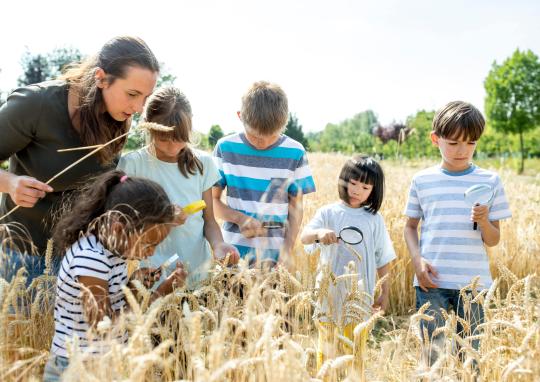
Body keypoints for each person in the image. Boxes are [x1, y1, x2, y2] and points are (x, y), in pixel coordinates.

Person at [0, 36, 160, 284]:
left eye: (146, 97)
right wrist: (10, 183)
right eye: (132, 94)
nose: (140, 108)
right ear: (101, 78)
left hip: (82, 256)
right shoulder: (35, 104)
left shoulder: (119, 118)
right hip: (23, 254)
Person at [43, 170, 187, 381]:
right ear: (119, 229)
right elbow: (103, 327)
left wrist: (134, 286)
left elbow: (112, 305)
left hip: (102, 364)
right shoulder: (91, 259)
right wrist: (157, 295)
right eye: (148, 244)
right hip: (77, 369)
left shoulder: (111, 248)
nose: (151, 253)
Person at [403, 101, 512, 365]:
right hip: (432, 282)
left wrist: (485, 221)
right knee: (433, 356)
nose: (462, 150)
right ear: (435, 139)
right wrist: (417, 262)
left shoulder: (490, 181)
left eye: (471, 143)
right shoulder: (422, 180)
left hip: (473, 286)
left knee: (470, 359)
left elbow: (493, 239)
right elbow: (409, 226)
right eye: (453, 143)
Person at [118, 87, 239, 289]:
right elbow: (124, 224)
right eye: (164, 139)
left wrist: (218, 245)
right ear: (149, 127)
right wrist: (161, 220)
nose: (173, 147)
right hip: (154, 281)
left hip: (199, 277)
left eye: (180, 138)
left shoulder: (203, 164)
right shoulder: (133, 165)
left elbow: (209, 221)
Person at [300, 155, 395, 369]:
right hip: (329, 295)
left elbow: (383, 258)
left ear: (374, 190)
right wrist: (319, 233)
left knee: (355, 351)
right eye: (353, 183)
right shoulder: (328, 212)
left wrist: (385, 292)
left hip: (360, 297)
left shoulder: (374, 219)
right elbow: (305, 237)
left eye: (365, 187)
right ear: (344, 181)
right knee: (328, 348)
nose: (357, 190)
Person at [212, 81, 315, 268]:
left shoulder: (295, 152)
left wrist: (287, 250)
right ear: (240, 117)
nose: (264, 143)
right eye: (256, 136)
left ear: (285, 122)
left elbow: (296, 209)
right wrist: (240, 219)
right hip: (233, 256)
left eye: (272, 135)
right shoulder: (225, 148)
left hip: (274, 259)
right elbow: (212, 202)